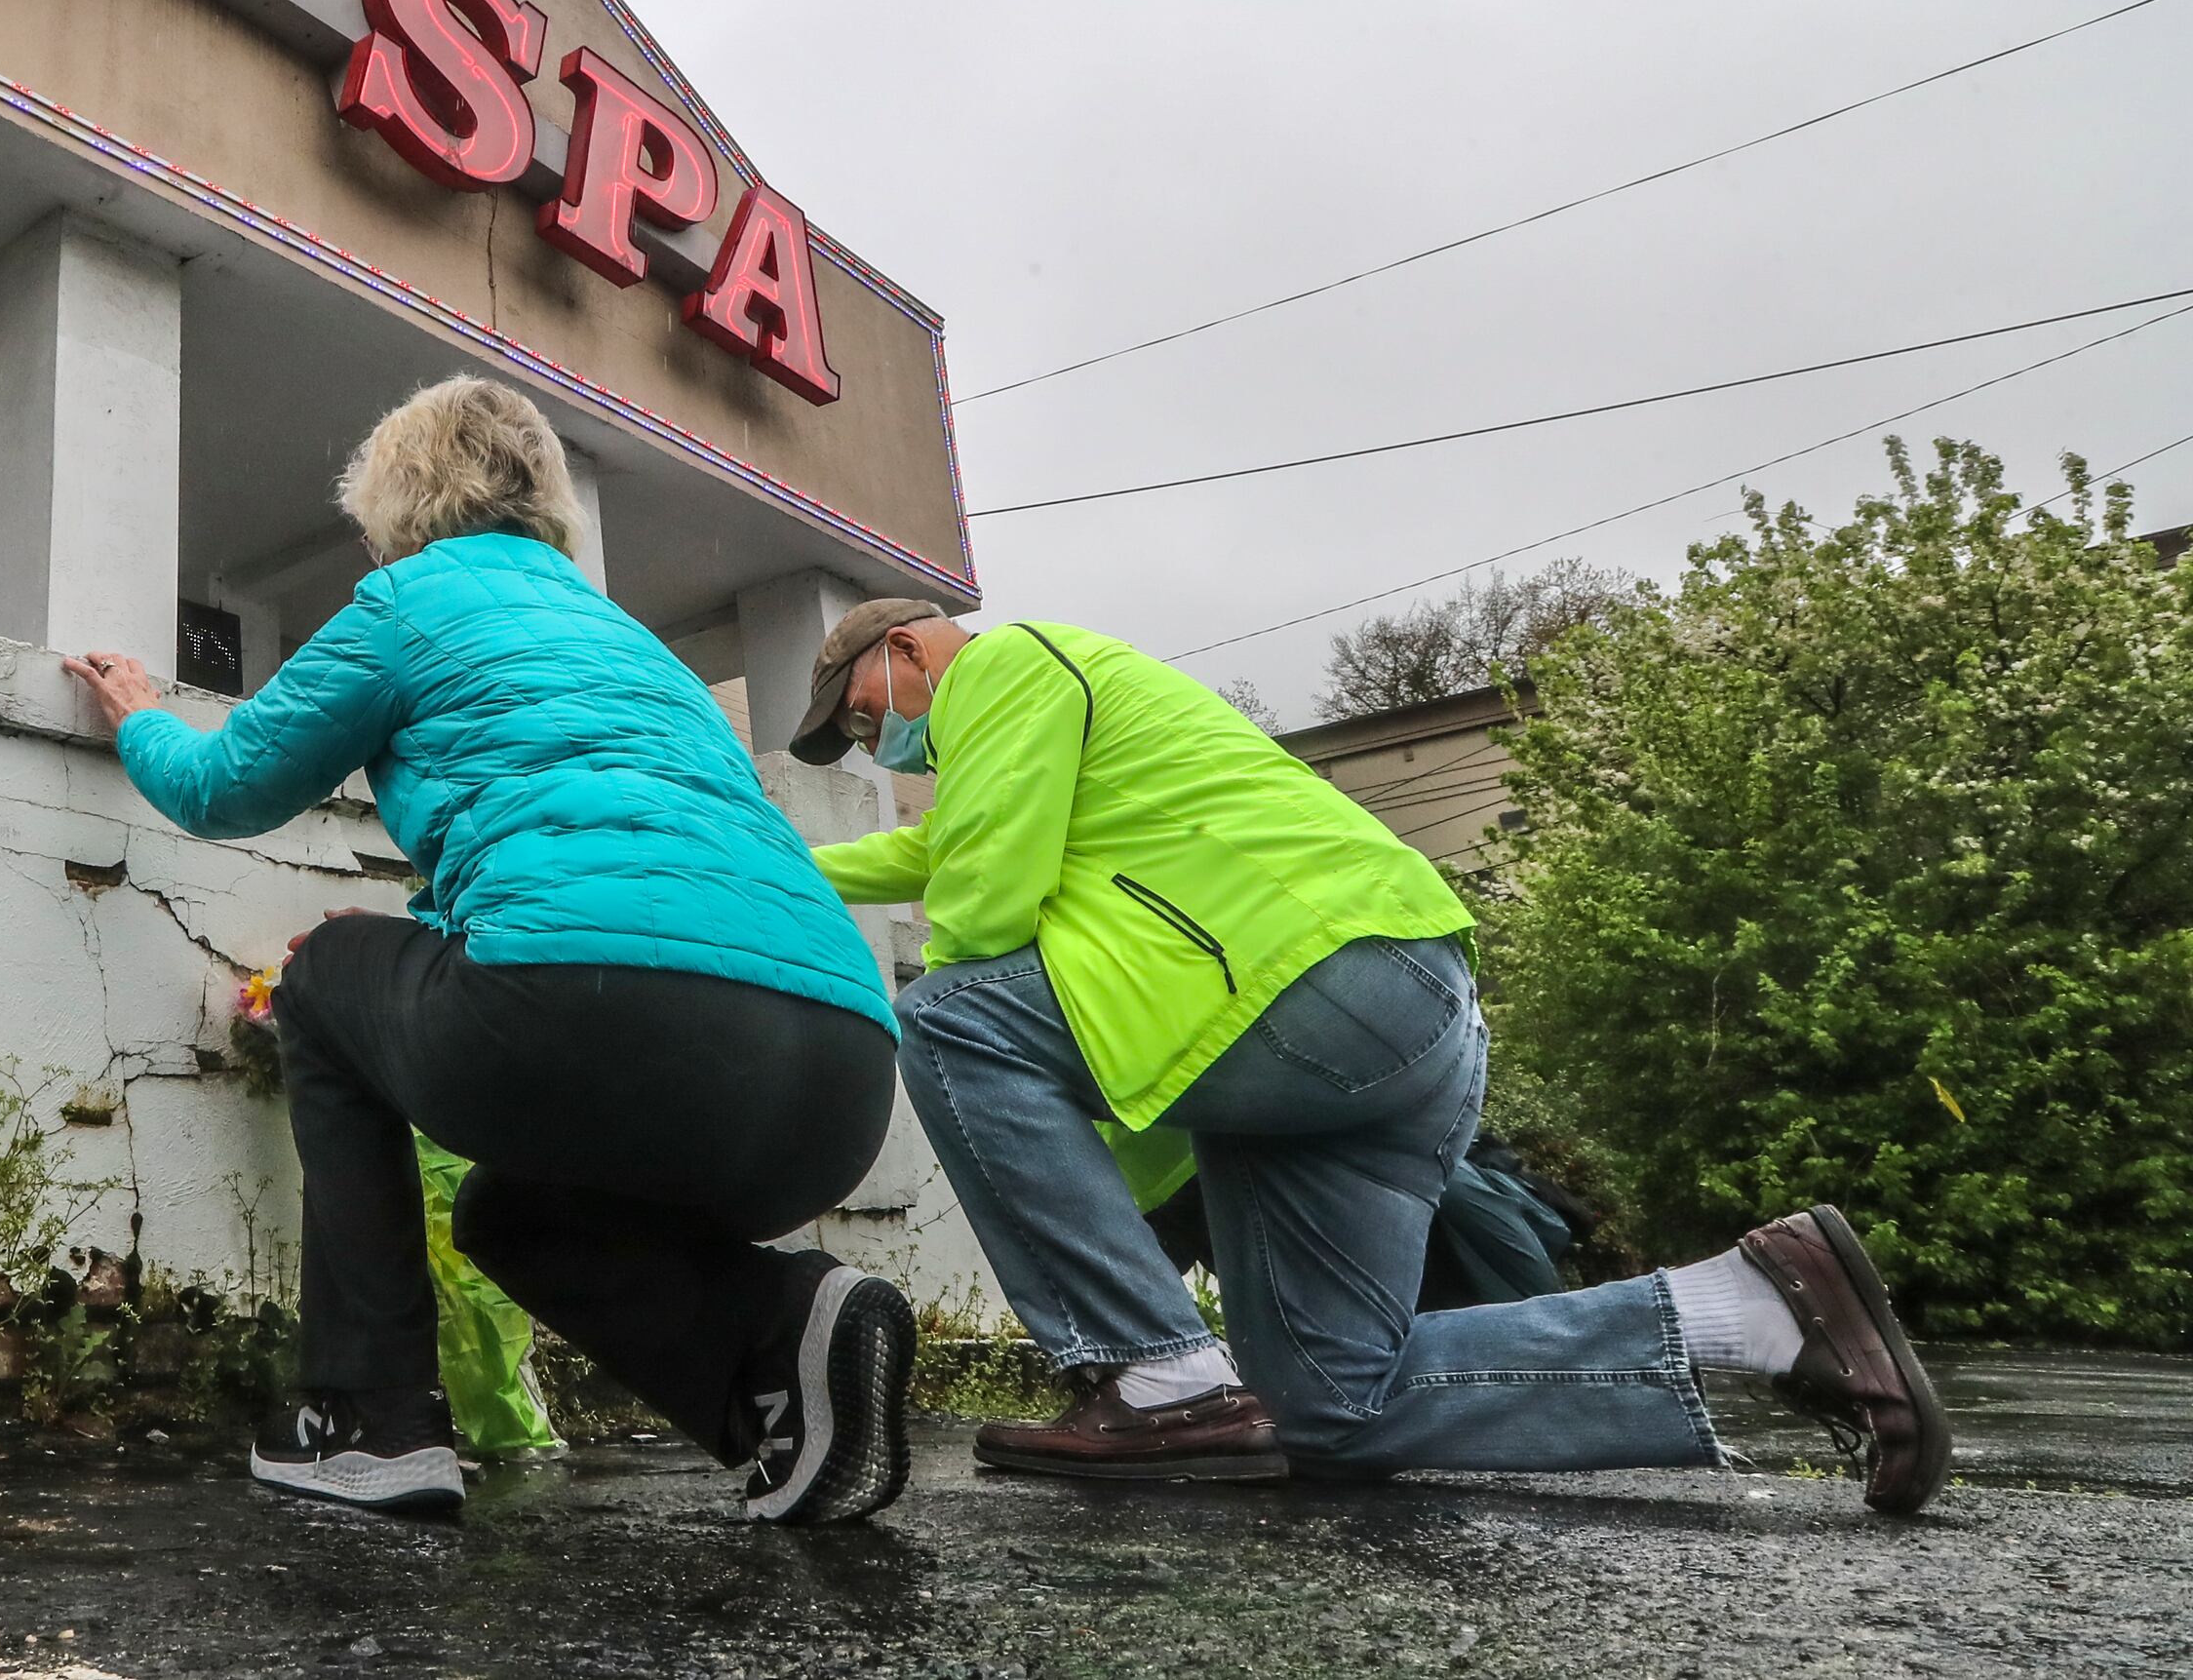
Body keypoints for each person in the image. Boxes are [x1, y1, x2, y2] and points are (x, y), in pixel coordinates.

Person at [788, 602, 1951, 1511]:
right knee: (1329, 1409)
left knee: (949, 1009)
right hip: (1371, 1030)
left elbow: (984, 893)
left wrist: (944, 964)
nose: (869, 741)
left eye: (859, 715)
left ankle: (1153, 1379)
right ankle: (1748, 1310)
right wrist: (776, 864)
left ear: (904, 650)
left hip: (1318, 984)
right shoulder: (1034, 718)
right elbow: (935, 847)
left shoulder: (1010, 664)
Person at [60, 377, 913, 1524]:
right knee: (513, 1215)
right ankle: (781, 1338)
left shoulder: (406, 603)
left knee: (324, 972)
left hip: (592, 1013)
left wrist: (142, 716)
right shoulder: (643, 652)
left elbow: (226, 789)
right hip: (838, 1078)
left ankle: (367, 1417)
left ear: (394, 509)